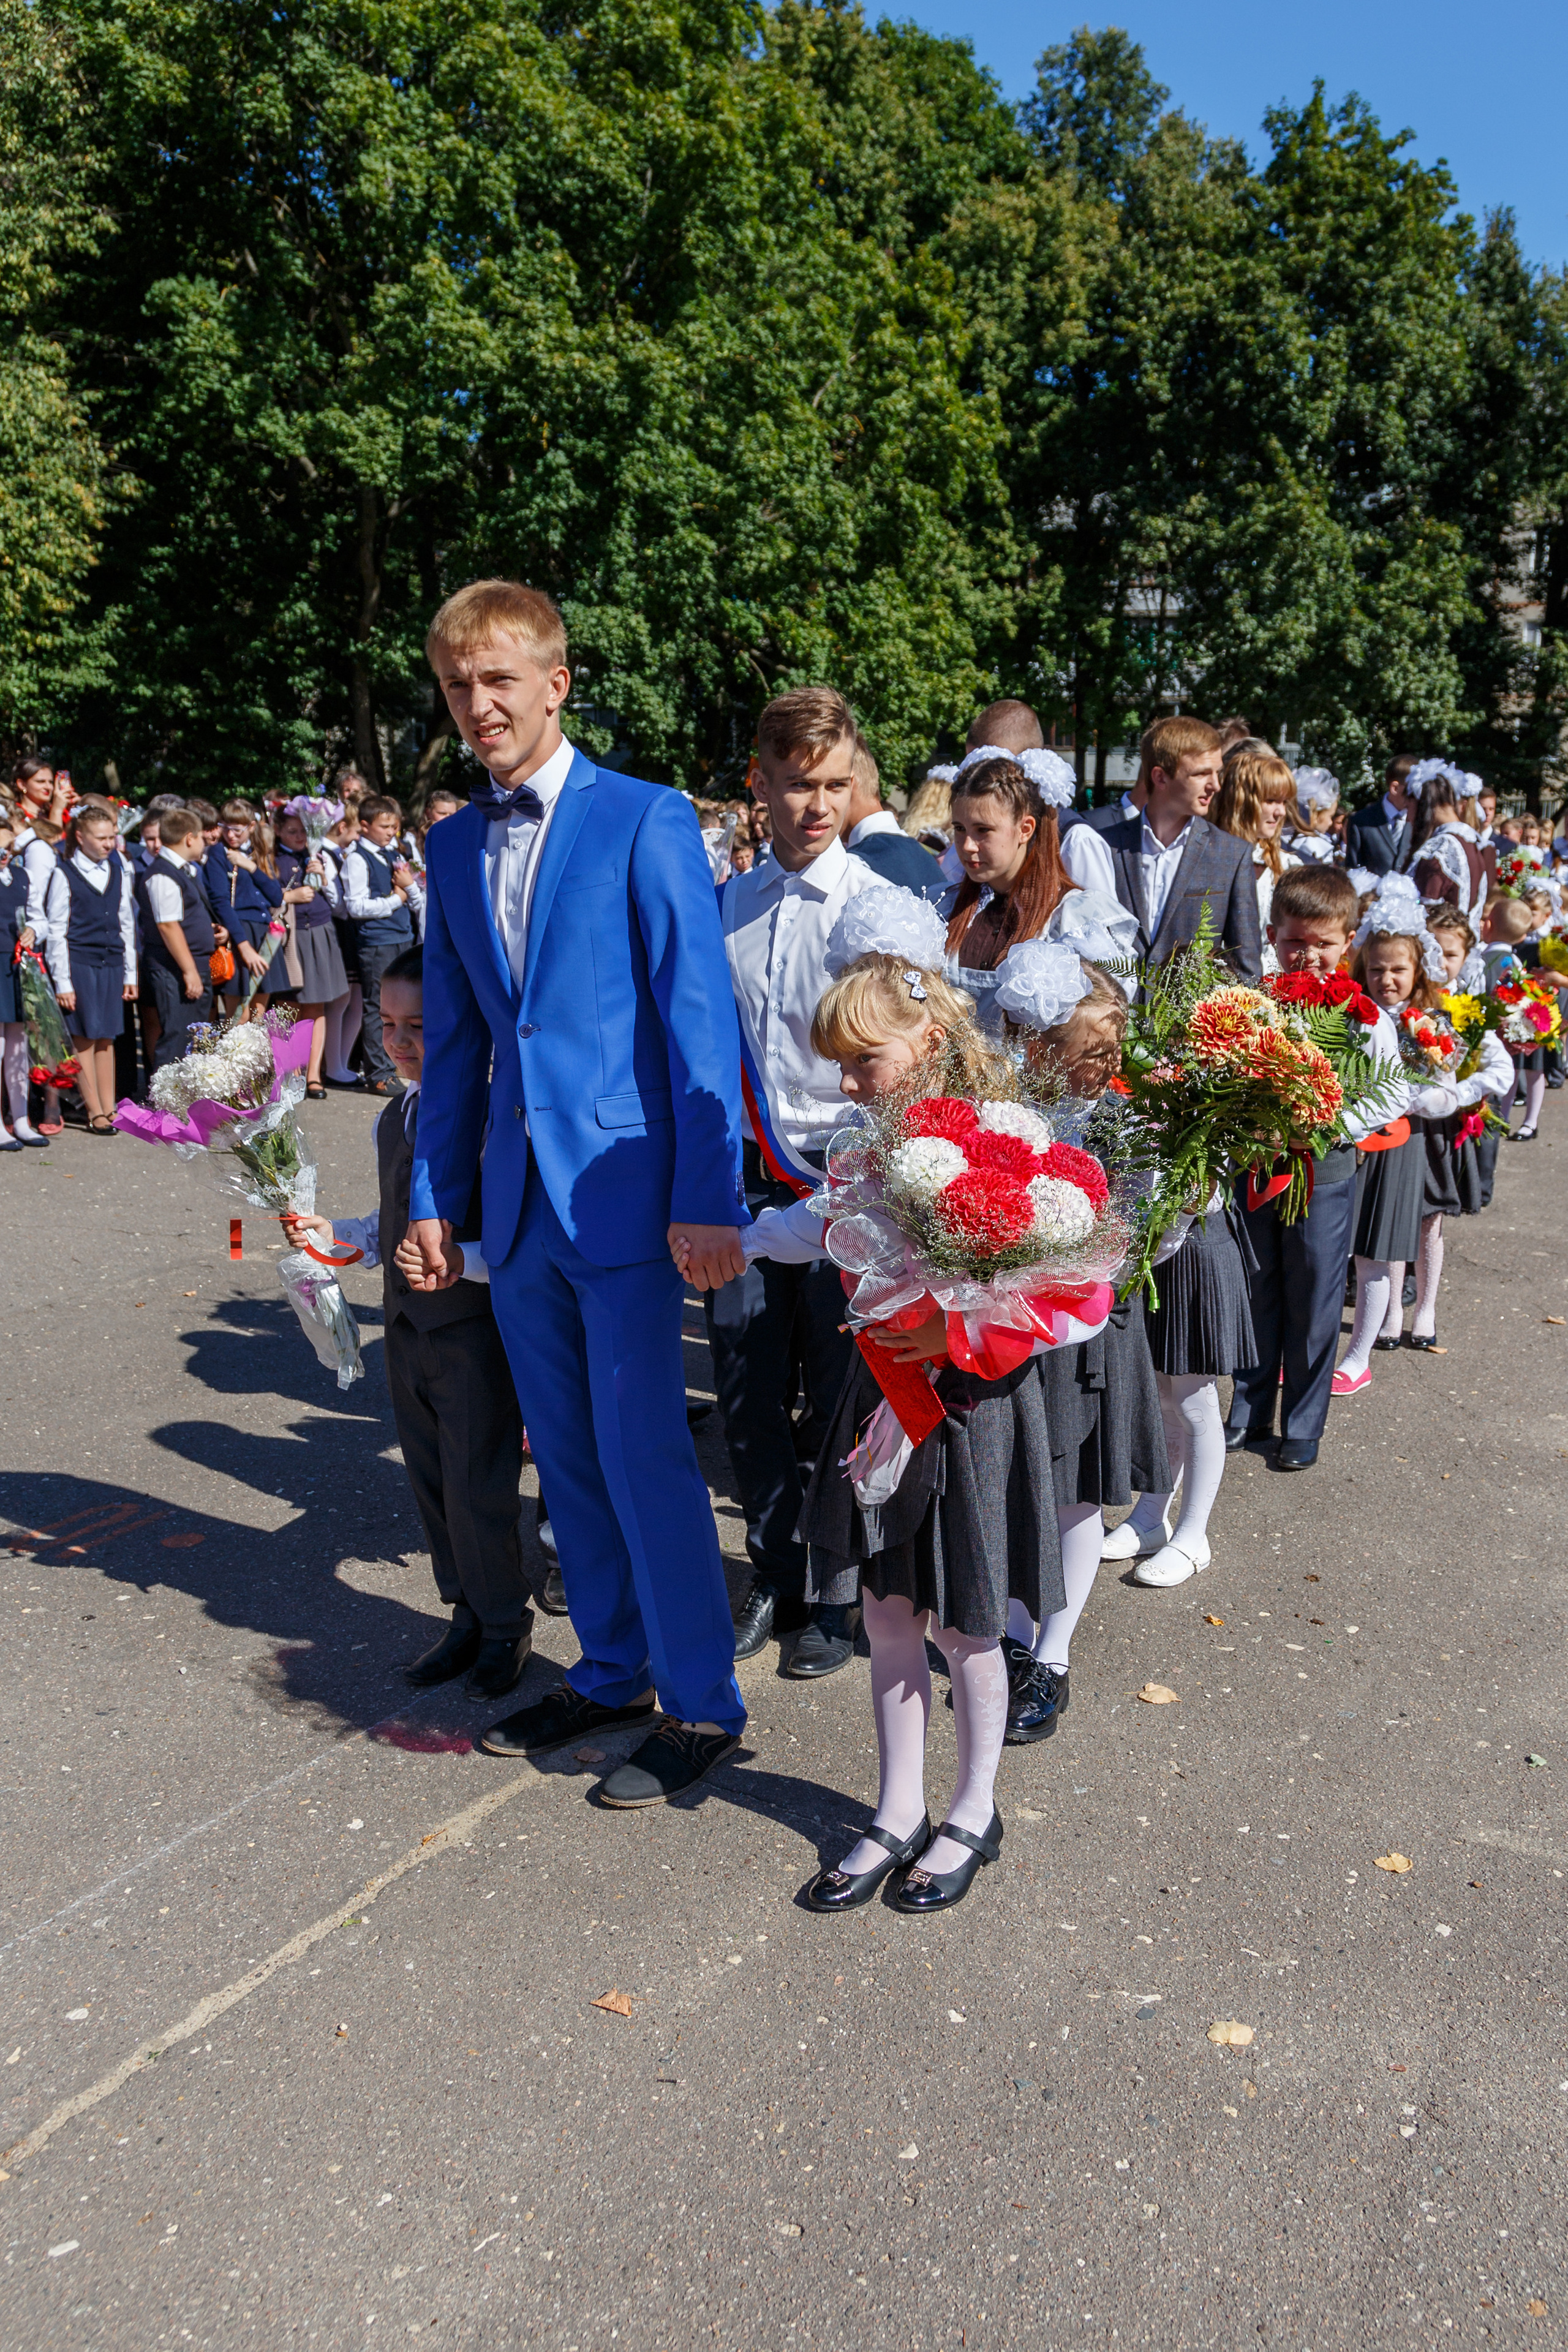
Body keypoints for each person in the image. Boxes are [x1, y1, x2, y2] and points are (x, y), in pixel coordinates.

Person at [405, 576, 748, 1810]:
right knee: (566, 1453)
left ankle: (702, 1704)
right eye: (458, 685)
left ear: (555, 683)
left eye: (498, 681)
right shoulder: (450, 844)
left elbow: (697, 1023)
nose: (477, 704)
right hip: (515, 1200)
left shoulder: (647, 818)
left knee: (646, 1448)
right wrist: (434, 1201)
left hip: (630, 1189)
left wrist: (709, 1196)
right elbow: (455, 1045)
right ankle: (609, 1670)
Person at [701, 938, 1079, 1913]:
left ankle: (972, 1808)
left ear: (931, 1039)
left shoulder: (1010, 1139)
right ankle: (896, 1807)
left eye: (863, 1058)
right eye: (838, 1061)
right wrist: (738, 1240)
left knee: (966, 1621)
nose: (846, 1078)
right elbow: (821, 1223)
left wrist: (946, 1324)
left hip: (964, 1409)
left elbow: (1059, 1287)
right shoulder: (867, 1149)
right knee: (884, 1613)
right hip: (879, 1402)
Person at [284, 944, 534, 1697]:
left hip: (473, 1324)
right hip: (404, 1322)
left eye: (419, 1025)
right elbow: (392, 1210)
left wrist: (466, 1260)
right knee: (428, 1477)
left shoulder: (493, 1114)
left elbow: (520, 1234)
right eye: (388, 1023)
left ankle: (503, 1621)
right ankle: (461, 1609)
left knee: (476, 1482)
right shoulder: (395, 1113)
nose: (397, 1041)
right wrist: (342, 1239)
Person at [708, 685, 880, 1678]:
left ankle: (835, 1592)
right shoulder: (726, 908)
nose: (816, 805)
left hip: (844, 1185)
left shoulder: (876, 910)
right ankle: (772, 1569)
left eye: (833, 785)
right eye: (796, 785)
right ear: (759, 787)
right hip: (742, 1186)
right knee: (746, 1386)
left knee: (843, 1391)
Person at [997, 962, 1170, 1727]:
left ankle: (1053, 1653)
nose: (1102, 1067)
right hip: (1011, 1328)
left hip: (1085, 1333)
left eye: (1110, 1051)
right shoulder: (1010, 1111)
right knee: (1006, 1484)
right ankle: (1005, 1633)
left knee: (1069, 1497)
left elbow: (1144, 1241)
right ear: (1035, 1046)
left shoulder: (1128, 1126)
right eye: (1082, 1050)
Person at [1224, 864, 1411, 1469]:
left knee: (1314, 1292)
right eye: (1293, 942)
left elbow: (1390, 1095)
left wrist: (1324, 1126)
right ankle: (1249, 1408)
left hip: (1324, 1171)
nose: (1307, 956)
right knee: (1257, 1285)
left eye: (1322, 944)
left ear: (1346, 945)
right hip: (1258, 1165)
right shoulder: (1255, 1005)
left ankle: (1303, 1422)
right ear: (1271, 937)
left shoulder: (1364, 1018)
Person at [1329, 881, 1462, 1393]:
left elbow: (1447, 1097)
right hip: (1349, 1142)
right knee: (1331, 1249)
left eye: (1398, 970)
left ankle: (1358, 1356)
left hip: (1399, 1147)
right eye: (1377, 968)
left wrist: (1408, 1095)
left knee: (1375, 1252)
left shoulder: (1428, 1023)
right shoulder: (1349, 1016)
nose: (1387, 979)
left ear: (1417, 971)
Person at [944, 751, 1137, 1027]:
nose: (967, 845)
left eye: (983, 830)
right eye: (960, 828)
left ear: (1025, 829)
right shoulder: (949, 908)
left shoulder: (1072, 919)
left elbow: (1105, 1023)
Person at [1397, 907, 1514, 1348]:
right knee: (1393, 1217)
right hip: (1398, 1126)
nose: (1440, 962)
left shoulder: (1464, 1011)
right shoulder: (1408, 1002)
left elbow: (1500, 1071)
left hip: (1440, 1130)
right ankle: (1392, 1306)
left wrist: (1455, 1096)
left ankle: (1424, 1308)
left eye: (1450, 953)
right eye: (1432, 950)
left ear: (1467, 957)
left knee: (1430, 1222)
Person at [1088, 718, 1263, 982]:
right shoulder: (1105, 847)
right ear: (1160, 777)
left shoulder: (1230, 855)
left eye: (1216, 772)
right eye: (1201, 774)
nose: (1215, 785)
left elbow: (1246, 968)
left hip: (1190, 1021)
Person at [44, 804, 138, 1135]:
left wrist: (130, 974)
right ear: (80, 837)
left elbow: (126, 923)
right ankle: (94, 1110)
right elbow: (57, 932)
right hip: (80, 963)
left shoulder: (119, 869)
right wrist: (63, 983)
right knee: (84, 1037)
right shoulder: (63, 873)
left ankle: (110, 1107)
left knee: (106, 1037)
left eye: (112, 837)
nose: (108, 844)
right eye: (101, 838)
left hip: (112, 963)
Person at [341, 795, 421, 1094]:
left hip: (401, 936)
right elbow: (356, 906)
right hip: (377, 941)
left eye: (394, 827)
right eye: (384, 826)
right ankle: (379, 1073)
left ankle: (396, 1068)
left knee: (404, 1007)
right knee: (379, 1008)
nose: (391, 832)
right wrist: (395, 900)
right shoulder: (357, 858)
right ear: (364, 826)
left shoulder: (392, 852)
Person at [134, 807, 227, 1068]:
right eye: (200, 837)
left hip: (193, 962)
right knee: (177, 1036)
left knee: (193, 1034)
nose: (204, 842)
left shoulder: (186, 870)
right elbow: (168, 926)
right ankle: (166, 1103)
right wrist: (189, 971)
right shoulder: (163, 874)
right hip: (174, 967)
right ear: (189, 838)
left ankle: (190, 1101)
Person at [276, 808, 350, 1096]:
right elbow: (264, 895)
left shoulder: (317, 854)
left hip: (319, 930)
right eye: (292, 831)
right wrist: (288, 896)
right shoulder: (272, 858)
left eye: (304, 831)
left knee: (317, 1006)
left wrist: (322, 877)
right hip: (291, 936)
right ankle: (291, 1071)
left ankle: (314, 1074)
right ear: (279, 831)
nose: (299, 837)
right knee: (289, 1007)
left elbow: (337, 902)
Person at [1209, 749, 1300, 947]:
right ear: (1241, 800)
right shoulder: (1206, 858)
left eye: (1284, 802)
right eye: (1271, 801)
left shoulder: (1289, 867)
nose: (1281, 812)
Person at [205, 801, 284, 1011]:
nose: (231, 836)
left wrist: (250, 866)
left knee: (260, 1014)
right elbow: (220, 902)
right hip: (240, 931)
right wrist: (243, 945)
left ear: (251, 827)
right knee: (238, 1016)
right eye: (226, 828)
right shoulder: (217, 853)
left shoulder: (258, 852)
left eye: (237, 830)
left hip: (263, 932)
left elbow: (277, 898)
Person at [843, 739, 946, 900]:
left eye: (831, 785)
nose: (819, 805)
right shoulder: (925, 857)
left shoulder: (856, 865)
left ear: (848, 785)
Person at [0, 818, 48, 1147]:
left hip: (17, 965)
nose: (3, 854)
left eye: (8, 847)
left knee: (19, 1046)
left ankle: (21, 1120)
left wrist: (35, 930)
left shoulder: (22, 876)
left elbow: (39, 917)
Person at [1408, 763, 1486, 924]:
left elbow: (1425, 912)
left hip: (1441, 943)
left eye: (1408, 808)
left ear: (1422, 805)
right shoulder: (1471, 842)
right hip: (1463, 943)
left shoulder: (1442, 847)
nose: (1408, 817)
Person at [321, 807, 364, 1085]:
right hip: (338, 928)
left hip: (350, 930)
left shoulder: (339, 854)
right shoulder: (325, 856)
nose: (358, 837)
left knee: (355, 998)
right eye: (357, 831)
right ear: (341, 827)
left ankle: (343, 1064)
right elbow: (336, 902)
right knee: (340, 999)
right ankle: (333, 1066)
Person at [1343, 756, 1416, 877]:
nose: (1418, 794)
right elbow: (1353, 871)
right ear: (1395, 788)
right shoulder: (1361, 821)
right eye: (1413, 789)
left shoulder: (1419, 821)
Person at [1285, 767, 1340, 865]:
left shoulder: (1288, 837)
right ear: (1316, 816)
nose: (1331, 822)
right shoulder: (1315, 845)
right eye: (1330, 817)